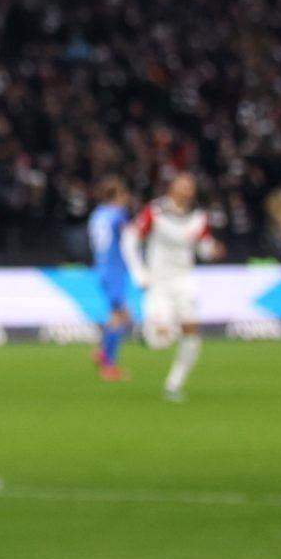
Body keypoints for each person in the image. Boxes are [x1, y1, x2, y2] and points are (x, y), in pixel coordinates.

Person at [123, 172, 220, 402]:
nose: (188, 191)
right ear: (172, 188)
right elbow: (129, 238)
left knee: (191, 333)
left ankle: (174, 384)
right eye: (183, 186)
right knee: (160, 341)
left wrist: (213, 250)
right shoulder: (156, 212)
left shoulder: (198, 217)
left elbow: (203, 248)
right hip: (159, 283)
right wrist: (138, 272)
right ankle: (145, 333)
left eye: (191, 187)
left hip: (184, 281)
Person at [85, 176, 137, 380]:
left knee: (120, 314)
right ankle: (108, 365)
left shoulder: (96, 215)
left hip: (101, 266)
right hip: (114, 268)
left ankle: (102, 352)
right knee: (120, 316)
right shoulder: (117, 215)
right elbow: (130, 236)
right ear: (117, 195)